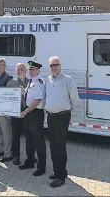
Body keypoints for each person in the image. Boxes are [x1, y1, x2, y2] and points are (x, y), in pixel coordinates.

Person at [45, 56, 79, 188]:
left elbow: (75, 99)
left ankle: (60, 177)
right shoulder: (48, 80)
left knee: (60, 146)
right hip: (51, 117)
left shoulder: (67, 80)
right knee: (53, 145)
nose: (54, 67)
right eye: (51, 65)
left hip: (62, 117)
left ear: (60, 65)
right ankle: (59, 171)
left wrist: (68, 112)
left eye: (56, 65)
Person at [19, 60, 46, 177]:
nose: (31, 71)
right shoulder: (31, 80)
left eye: (33, 69)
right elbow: (30, 96)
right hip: (29, 113)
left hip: (35, 113)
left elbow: (37, 101)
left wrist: (25, 111)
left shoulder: (39, 82)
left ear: (38, 70)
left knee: (38, 141)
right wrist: (23, 91)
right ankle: (30, 161)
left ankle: (41, 167)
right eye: (29, 69)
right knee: (29, 139)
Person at [6, 62, 30, 165]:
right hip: (15, 112)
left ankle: (31, 157)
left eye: (21, 69)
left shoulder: (30, 82)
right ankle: (16, 156)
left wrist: (25, 93)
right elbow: (6, 98)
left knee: (29, 136)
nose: (19, 71)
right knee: (15, 135)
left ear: (25, 71)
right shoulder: (11, 83)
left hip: (28, 112)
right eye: (18, 69)